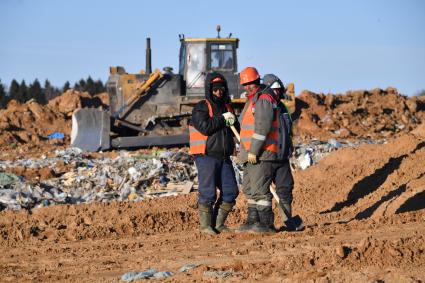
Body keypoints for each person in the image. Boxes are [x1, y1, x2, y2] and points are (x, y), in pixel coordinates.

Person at [236, 67, 293, 233]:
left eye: (251, 83)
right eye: (245, 84)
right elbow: (246, 127)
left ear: (257, 81)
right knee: (250, 189)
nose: (248, 87)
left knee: (261, 190)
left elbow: (262, 127)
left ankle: (266, 224)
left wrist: (254, 150)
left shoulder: (263, 100)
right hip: (250, 153)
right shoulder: (251, 100)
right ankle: (253, 221)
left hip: (261, 153)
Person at [190, 72, 240, 235]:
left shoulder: (228, 107)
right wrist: (222, 119)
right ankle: (205, 226)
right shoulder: (201, 107)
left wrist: (234, 121)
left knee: (231, 191)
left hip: (224, 157)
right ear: (209, 89)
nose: (219, 92)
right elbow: (205, 127)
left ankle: (218, 224)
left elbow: (236, 131)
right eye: (216, 89)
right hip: (206, 156)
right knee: (208, 192)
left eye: (222, 89)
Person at [262, 74, 302, 231]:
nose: (278, 93)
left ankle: (287, 221)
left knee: (285, 188)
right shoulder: (263, 106)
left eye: (279, 90)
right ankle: (266, 224)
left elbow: (288, 131)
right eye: (275, 90)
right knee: (264, 192)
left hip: (282, 156)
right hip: (267, 156)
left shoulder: (283, 108)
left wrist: (289, 146)